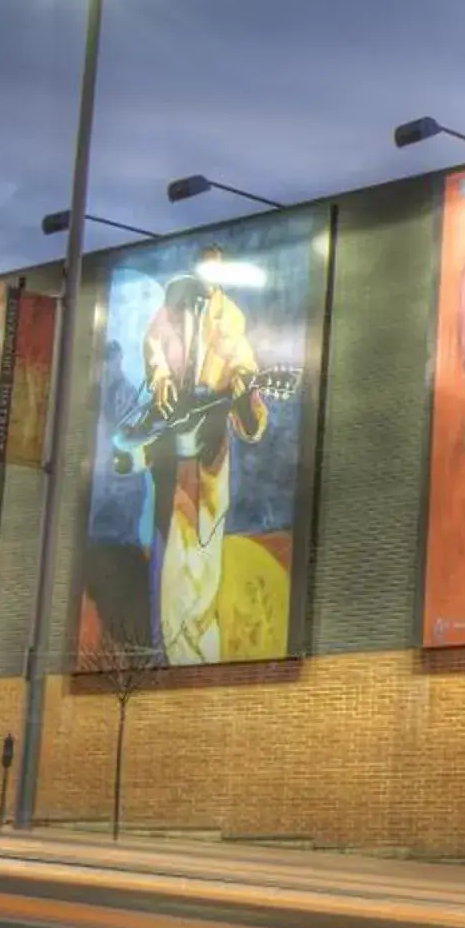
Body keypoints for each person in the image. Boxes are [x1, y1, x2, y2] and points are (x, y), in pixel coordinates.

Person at [135, 247, 270, 666]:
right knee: (173, 546)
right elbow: (154, 345)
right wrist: (159, 377)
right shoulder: (174, 301)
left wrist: (244, 388)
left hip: (210, 445)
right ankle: (175, 648)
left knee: (207, 541)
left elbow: (242, 364)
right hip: (173, 449)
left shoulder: (230, 316)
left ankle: (199, 647)